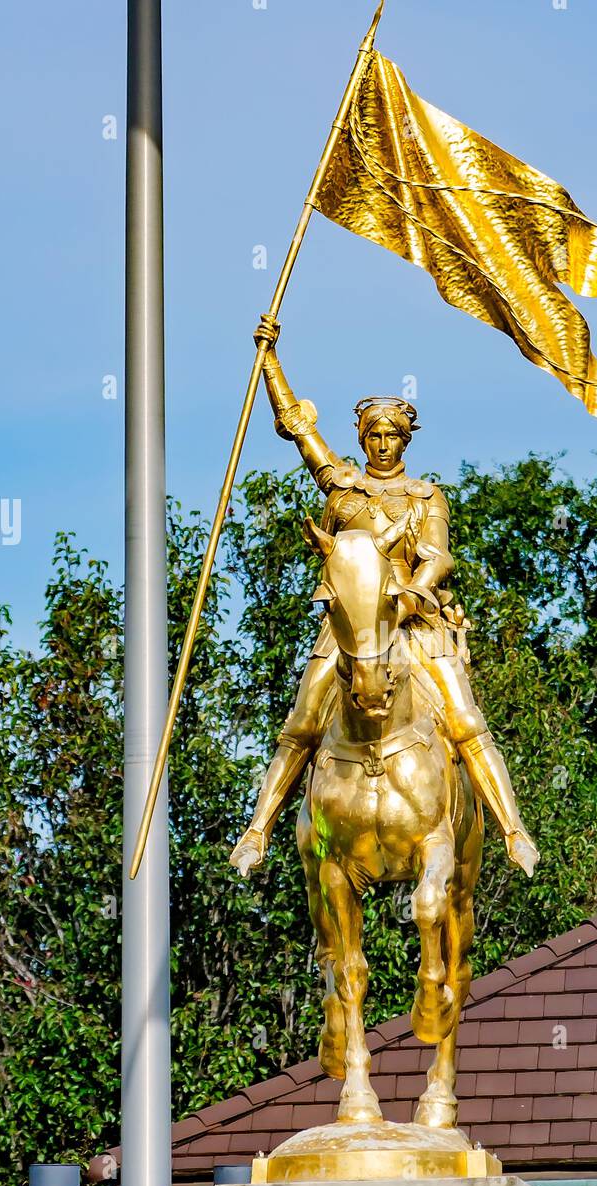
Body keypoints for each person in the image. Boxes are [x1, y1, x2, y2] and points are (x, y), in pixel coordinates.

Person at [230, 318, 539, 878]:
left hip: (414, 623)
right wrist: (270, 359)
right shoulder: (342, 488)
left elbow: (439, 556)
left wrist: (417, 591)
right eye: (372, 435)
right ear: (361, 439)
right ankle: (258, 830)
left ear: (404, 439)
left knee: (465, 718)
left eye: (390, 434)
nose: (381, 443)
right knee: (302, 720)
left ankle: (512, 829)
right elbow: (297, 427)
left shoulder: (425, 497)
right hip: (350, 627)